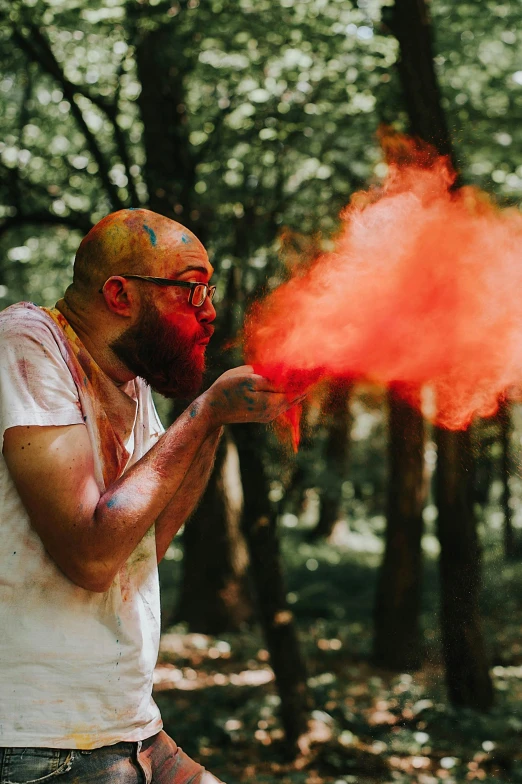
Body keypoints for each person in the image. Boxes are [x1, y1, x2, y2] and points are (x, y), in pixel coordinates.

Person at [0, 209, 301, 784]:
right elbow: (91, 557)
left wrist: (214, 423)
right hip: (39, 744)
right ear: (119, 294)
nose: (209, 313)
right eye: (193, 290)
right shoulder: (26, 341)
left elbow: (138, 549)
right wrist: (206, 410)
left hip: (126, 728)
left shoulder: (132, 381)